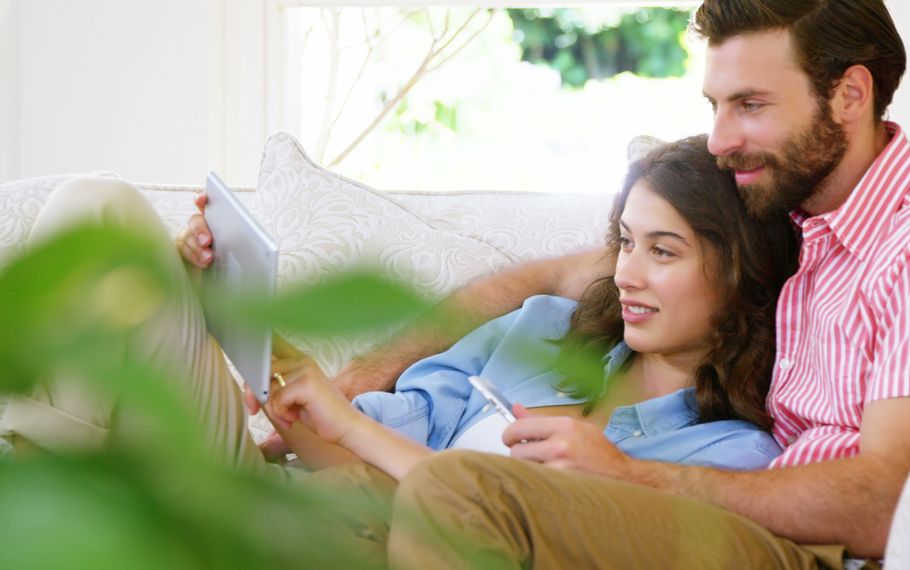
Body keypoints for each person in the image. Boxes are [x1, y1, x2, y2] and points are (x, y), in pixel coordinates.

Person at [177, 0, 910, 567]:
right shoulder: (787, 216)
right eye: (714, 106)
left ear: (850, 95)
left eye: (750, 105)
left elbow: (894, 496)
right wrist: (344, 377)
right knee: (338, 498)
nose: (719, 139)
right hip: (711, 509)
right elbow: (565, 273)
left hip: (800, 546)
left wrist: (634, 475)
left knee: (450, 490)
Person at [3, 136, 798, 563]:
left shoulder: (724, 451)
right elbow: (339, 461)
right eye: (624, 243)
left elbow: (492, 527)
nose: (626, 273)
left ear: (738, 272)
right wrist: (216, 305)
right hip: (276, 501)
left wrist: (348, 426)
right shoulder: (547, 331)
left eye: (664, 251)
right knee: (99, 205)